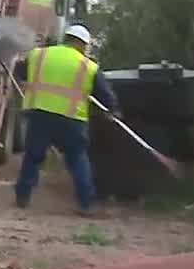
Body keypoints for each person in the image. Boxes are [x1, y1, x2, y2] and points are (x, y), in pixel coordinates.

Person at [13, 24, 120, 217]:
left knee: (33, 156)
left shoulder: (39, 55)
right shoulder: (88, 66)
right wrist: (112, 110)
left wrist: (25, 81)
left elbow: (19, 72)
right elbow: (105, 93)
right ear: (83, 44)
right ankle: (86, 203)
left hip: (40, 113)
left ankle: (22, 196)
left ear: (66, 38)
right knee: (77, 158)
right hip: (71, 119)